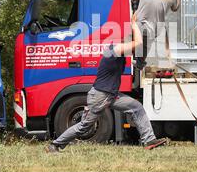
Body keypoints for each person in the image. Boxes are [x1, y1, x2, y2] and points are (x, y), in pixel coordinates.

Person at [46, 15, 167, 152]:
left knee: (136, 107)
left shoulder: (118, 54)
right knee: (84, 126)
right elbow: (138, 44)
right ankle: (55, 145)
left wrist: (144, 62)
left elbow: (138, 57)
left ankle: (149, 140)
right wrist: (134, 24)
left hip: (111, 96)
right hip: (100, 96)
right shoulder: (113, 50)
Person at [132, 0, 180, 69]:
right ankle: (140, 61)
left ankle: (137, 59)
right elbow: (175, 8)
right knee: (144, 47)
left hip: (138, 24)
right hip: (153, 29)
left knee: (139, 44)